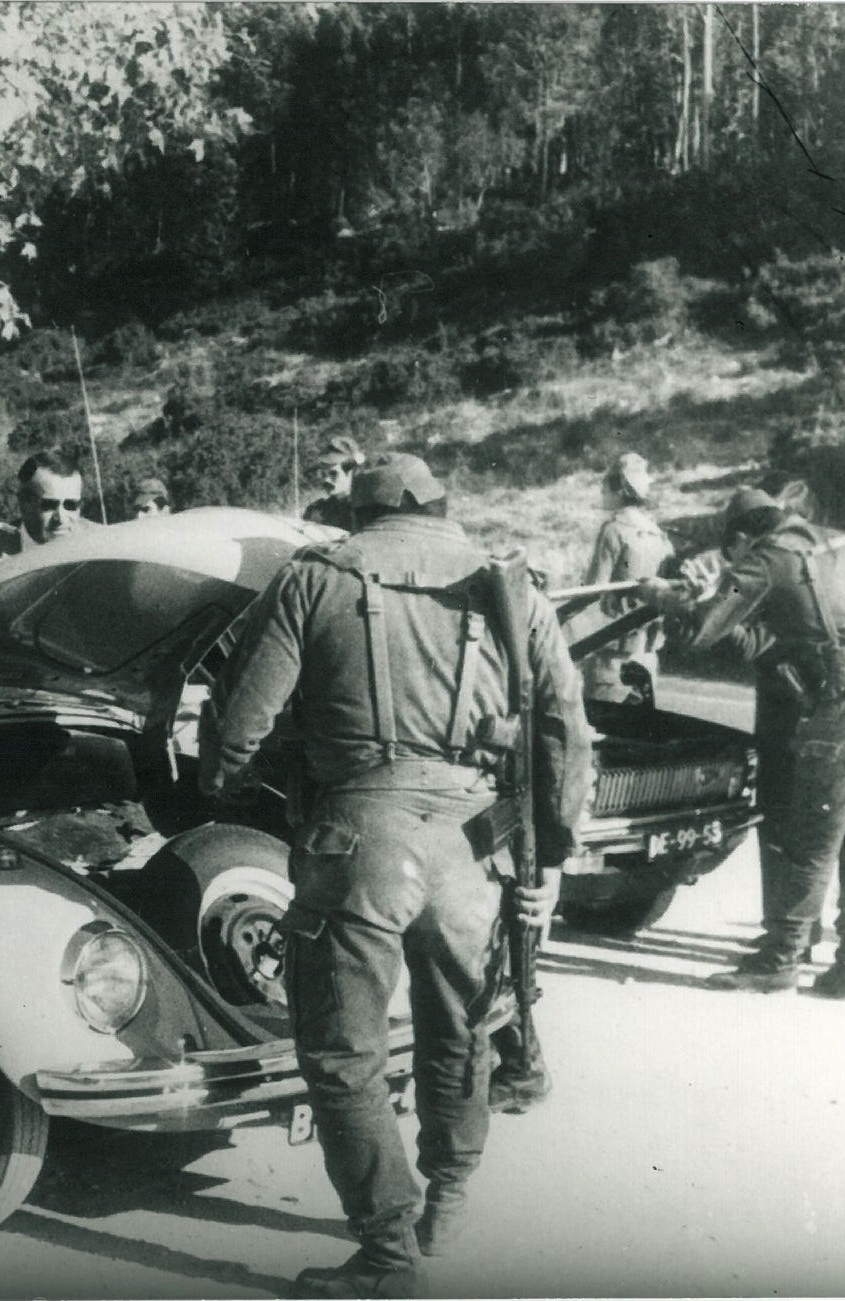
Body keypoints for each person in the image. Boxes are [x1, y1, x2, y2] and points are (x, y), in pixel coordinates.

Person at [202, 452, 591, 1296]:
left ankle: (385, 1254)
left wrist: (222, 781)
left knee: (344, 1052)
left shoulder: (313, 579)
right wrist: (550, 855)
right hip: (474, 843)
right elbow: (564, 727)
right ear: (443, 506)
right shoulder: (510, 585)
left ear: (355, 514)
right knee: (462, 1027)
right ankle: (444, 1203)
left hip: (356, 839)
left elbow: (242, 720)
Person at [641, 488, 845, 998]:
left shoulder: (766, 557)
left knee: (812, 831)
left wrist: (665, 597)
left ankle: (781, 957)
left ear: (738, 538)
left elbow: (707, 628)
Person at [580, 452, 674, 703]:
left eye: (606, 485)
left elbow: (591, 593)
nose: (602, 491)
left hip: (613, 655)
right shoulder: (658, 534)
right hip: (648, 652)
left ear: (619, 488)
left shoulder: (614, 530)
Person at [0, 450, 97, 554]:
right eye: (49, 505)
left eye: (71, 505)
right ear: (23, 503)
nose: (60, 519)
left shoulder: (98, 546)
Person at [302, 434, 366, 529]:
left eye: (333, 474)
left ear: (353, 473)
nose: (326, 480)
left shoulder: (367, 511)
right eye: (323, 474)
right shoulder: (316, 512)